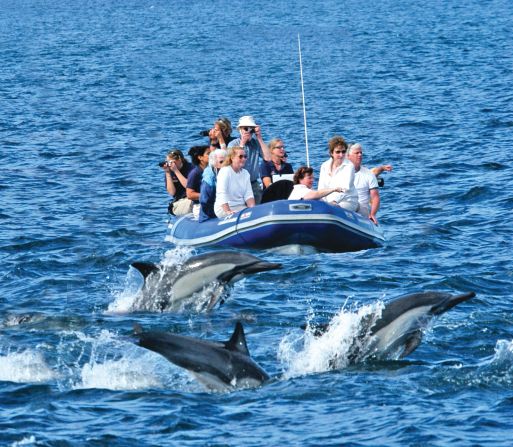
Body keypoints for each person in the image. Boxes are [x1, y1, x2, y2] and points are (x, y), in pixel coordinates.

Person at [228, 116, 271, 204]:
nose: (248, 131)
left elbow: (268, 158)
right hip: (238, 184)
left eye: (251, 129)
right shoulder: (233, 144)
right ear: (240, 130)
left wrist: (259, 137)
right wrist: (242, 144)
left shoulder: (255, 143)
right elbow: (234, 163)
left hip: (253, 183)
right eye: (245, 129)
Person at [347, 143, 391, 225]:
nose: (360, 155)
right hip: (345, 208)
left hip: (361, 210)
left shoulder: (368, 174)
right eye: (357, 153)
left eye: (361, 153)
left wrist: (372, 214)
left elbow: (375, 197)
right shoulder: (340, 173)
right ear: (348, 156)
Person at [318, 136, 359, 211]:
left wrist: (334, 202)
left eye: (343, 152)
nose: (341, 155)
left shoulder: (349, 166)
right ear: (331, 153)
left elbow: (345, 189)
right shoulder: (324, 166)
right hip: (329, 201)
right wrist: (323, 203)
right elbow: (321, 188)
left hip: (347, 200)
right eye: (338, 152)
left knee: (334, 209)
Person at [214, 147, 255, 218]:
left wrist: (253, 210)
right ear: (232, 158)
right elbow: (221, 193)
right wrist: (228, 211)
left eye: (245, 157)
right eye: (240, 156)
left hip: (240, 206)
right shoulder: (225, 171)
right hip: (223, 208)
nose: (244, 159)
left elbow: (248, 195)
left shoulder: (246, 173)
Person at [161, 149, 193, 215]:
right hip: (180, 201)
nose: (170, 165)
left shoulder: (191, 168)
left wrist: (176, 171)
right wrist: (167, 172)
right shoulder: (170, 171)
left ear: (180, 160)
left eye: (172, 162)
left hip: (192, 197)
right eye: (168, 162)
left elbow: (189, 186)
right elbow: (172, 192)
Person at [199, 148, 227, 222]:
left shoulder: (230, 173)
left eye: (226, 162)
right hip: (209, 216)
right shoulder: (208, 180)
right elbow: (204, 201)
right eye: (221, 162)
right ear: (214, 164)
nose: (225, 164)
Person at [186, 145, 211, 219]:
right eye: (208, 154)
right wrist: (207, 195)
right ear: (200, 157)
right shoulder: (195, 173)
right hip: (200, 206)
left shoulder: (213, 170)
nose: (212, 155)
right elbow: (189, 194)